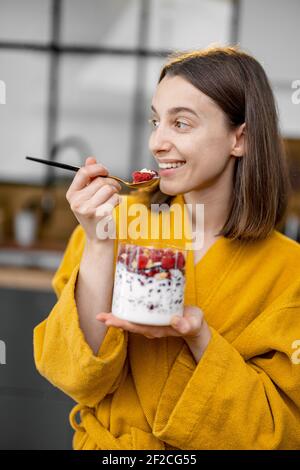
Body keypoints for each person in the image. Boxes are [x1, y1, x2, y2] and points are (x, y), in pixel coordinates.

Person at [33, 45, 300, 450]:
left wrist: (199, 338)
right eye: (156, 121)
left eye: (181, 124)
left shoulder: (289, 270)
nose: (157, 142)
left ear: (239, 138)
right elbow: (73, 375)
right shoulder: (111, 224)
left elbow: (278, 430)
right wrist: (101, 242)